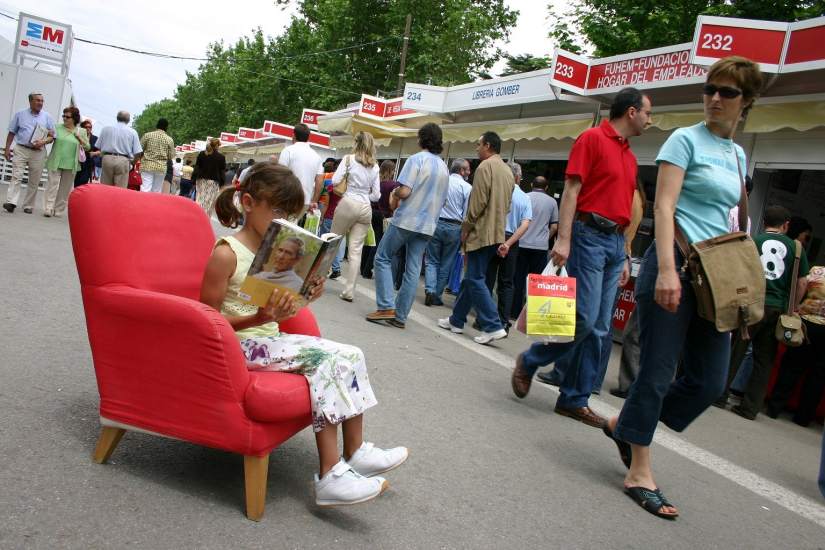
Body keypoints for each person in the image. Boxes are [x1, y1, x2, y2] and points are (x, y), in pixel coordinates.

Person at [600, 57, 763, 520]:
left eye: (726, 92)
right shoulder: (684, 139)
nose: (714, 98)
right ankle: (639, 470)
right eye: (710, 89)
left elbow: (731, 219)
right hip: (674, 266)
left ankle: (625, 424)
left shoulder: (737, 154)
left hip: (715, 276)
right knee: (654, 372)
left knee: (710, 381)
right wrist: (668, 271)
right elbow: (665, 207)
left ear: (745, 102)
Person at [200, 161, 407, 507]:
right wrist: (257, 318)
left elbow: (281, 313)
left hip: (266, 342)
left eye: (290, 215)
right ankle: (330, 475)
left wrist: (305, 295)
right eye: (278, 211)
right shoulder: (226, 253)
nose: (286, 223)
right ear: (248, 204)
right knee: (322, 360)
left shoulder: (275, 256)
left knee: (351, 352)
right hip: (238, 346)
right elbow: (205, 321)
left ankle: (355, 452)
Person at [511, 87, 651, 428]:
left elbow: (626, 210)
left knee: (601, 328)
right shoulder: (591, 138)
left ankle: (574, 398)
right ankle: (531, 361)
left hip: (614, 243)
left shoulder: (631, 156)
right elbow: (572, 190)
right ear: (631, 111)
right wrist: (564, 238)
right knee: (586, 318)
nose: (650, 119)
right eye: (647, 112)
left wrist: (625, 254)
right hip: (588, 237)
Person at [721, 206, 809, 420]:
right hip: (777, 308)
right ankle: (750, 408)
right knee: (764, 359)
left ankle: (719, 395)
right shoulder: (796, 249)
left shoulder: (753, 241)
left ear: (764, 222)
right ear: (786, 225)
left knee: (736, 351)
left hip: (751, 303)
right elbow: (802, 282)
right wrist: (793, 307)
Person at [367, 123, 450, 329]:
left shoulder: (416, 160)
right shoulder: (444, 167)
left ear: (421, 139)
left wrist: (395, 193)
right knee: (412, 269)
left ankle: (386, 305)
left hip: (408, 219)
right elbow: (444, 200)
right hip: (428, 224)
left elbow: (404, 191)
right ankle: (400, 316)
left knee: (383, 257)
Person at [437, 131, 514, 344]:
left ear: (488, 145)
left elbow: (477, 204)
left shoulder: (485, 167)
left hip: (481, 231)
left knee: (474, 278)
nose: (476, 148)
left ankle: (493, 324)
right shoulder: (507, 170)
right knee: (473, 276)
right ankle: (457, 319)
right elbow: (506, 206)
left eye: (478, 144)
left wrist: (466, 228)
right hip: (497, 232)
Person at [766, 264, 824, 426]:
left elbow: (802, 286)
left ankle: (774, 408)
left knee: (792, 366)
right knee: (818, 375)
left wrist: (796, 308)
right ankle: (803, 417)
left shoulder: (817, 271)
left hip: (809, 324)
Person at [330, 132, 381, 302]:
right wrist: (364, 195)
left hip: (348, 202)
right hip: (366, 208)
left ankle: (315, 280)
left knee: (332, 242)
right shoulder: (375, 166)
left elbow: (335, 181)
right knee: (355, 251)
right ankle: (349, 291)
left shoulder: (348, 159)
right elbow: (376, 195)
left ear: (356, 143)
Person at [482, 161, 532, 332]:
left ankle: (484, 318)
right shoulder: (525, 197)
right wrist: (509, 244)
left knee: (488, 278)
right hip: (512, 240)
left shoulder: (497, 192)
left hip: (493, 236)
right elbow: (525, 225)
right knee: (507, 282)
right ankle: (503, 321)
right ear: (517, 177)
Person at [424, 158, 472, 306]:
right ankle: (437, 295)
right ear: (461, 170)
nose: (469, 172)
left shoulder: (441, 181)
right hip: (454, 227)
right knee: (446, 263)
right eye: (468, 169)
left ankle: (430, 289)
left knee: (431, 260)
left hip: (437, 223)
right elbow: (466, 213)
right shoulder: (467, 187)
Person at [511, 176, 558, 319]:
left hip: (522, 243)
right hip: (540, 248)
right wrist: (545, 238)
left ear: (531, 184)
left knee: (517, 278)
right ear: (547, 187)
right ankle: (532, 315)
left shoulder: (525, 197)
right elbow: (554, 226)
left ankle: (514, 312)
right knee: (536, 282)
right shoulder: (552, 202)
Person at [3, 92, 55, 214]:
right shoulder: (20, 114)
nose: (40, 103)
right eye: (37, 100)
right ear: (30, 101)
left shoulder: (47, 117)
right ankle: (11, 202)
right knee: (16, 175)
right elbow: (11, 132)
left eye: (42, 101)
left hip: (38, 152)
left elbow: (52, 136)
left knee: (34, 180)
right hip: (21, 149)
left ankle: (28, 205)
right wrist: (7, 148)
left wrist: (43, 141)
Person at [43, 106, 90, 218]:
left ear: (74, 118)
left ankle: (58, 209)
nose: (64, 118)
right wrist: (44, 139)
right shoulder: (57, 127)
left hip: (71, 163)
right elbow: (50, 139)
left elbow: (88, 147)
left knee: (65, 188)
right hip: (56, 160)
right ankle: (48, 208)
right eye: (63, 116)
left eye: (67, 117)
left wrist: (79, 138)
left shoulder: (81, 131)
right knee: (52, 185)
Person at [361, 160, 399, 279]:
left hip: (371, 212)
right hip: (384, 216)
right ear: (391, 171)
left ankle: (363, 268)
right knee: (377, 243)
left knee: (368, 240)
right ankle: (367, 270)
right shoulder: (394, 185)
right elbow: (393, 203)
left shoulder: (376, 182)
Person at [278, 123, 324, 213]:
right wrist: (314, 201)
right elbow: (319, 181)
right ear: (308, 137)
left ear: (293, 135)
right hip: (305, 202)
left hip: (287, 198)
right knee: (292, 224)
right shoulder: (317, 156)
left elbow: (279, 175)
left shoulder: (288, 151)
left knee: (282, 225)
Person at [96, 111, 142, 188]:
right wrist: (132, 163)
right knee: (120, 189)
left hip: (107, 158)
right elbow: (138, 152)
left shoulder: (106, 129)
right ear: (128, 120)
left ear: (117, 118)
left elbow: (98, 146)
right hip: (123, 160)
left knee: (105, 187)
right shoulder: (132, 132)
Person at [319, 159, 344, 279]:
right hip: (341, 218)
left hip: (329, 216)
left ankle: (320, 268)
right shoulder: (347, 186)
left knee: (325, 242)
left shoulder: (330, 184)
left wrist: (321, 217)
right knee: (335, 244)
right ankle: (336, 268)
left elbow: (326, 204)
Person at [139, 118, 174, 193]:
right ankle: (153, 204)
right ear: (166, 127)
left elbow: (139, 149)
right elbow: (171, 156)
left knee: (145, 188)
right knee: (157, 191)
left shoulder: (147, 135)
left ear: (157, 125)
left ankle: (143, 204)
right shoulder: (169, 140)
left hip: (147, 165)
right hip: (161, 167)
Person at [193, 137, 226, 217]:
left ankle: (196, 214)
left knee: (200, 198)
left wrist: (193, 179)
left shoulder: (202, 154)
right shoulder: (221, 157)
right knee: (209, 201)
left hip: (200, 180)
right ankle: (205, 218)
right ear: (217, 146)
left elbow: (197, 167)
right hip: (213, 182)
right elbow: (222, 171)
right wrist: (222, 183)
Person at [74, 119, 99, 187]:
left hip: (88, 163)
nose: (88, 128)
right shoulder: (78, 136)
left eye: (90, 127)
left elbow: (100, 151)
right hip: (78, 161)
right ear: (82, 128)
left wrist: (94, 153)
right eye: (86, 127)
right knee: (76, 180)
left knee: (84, 181)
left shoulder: (95, 138)